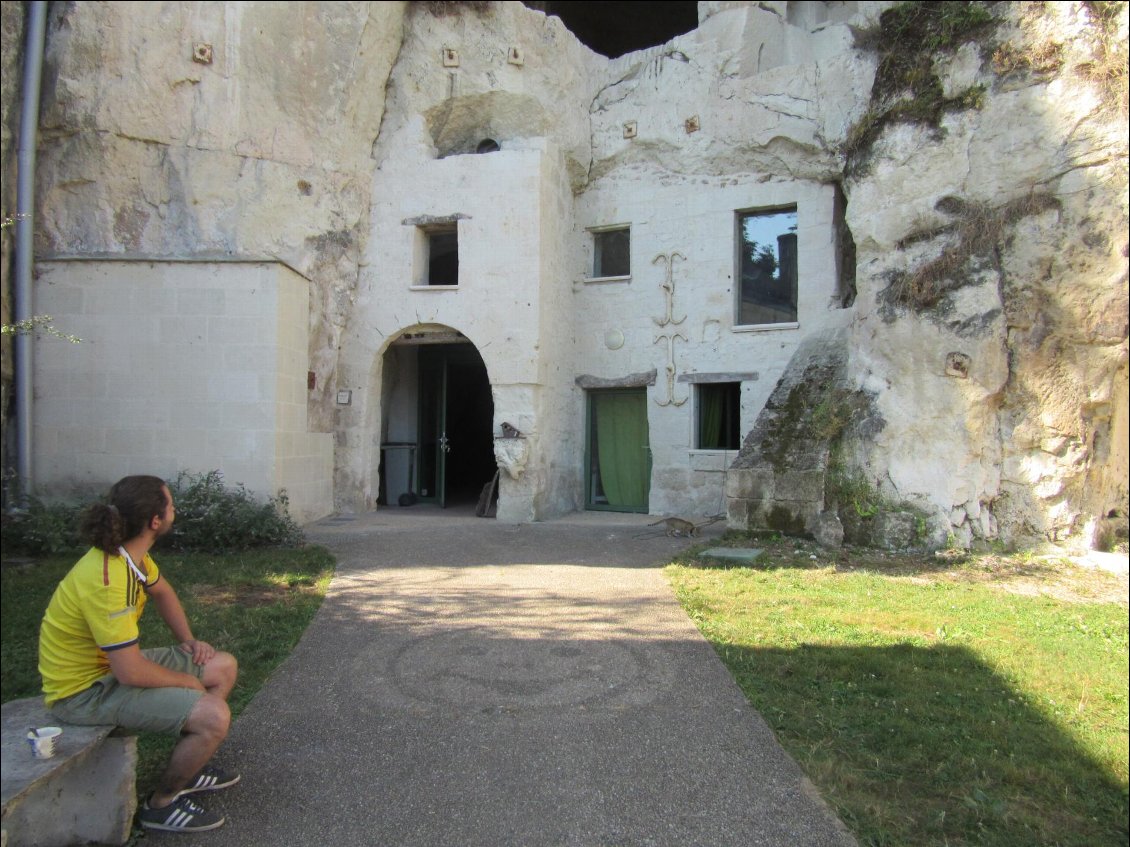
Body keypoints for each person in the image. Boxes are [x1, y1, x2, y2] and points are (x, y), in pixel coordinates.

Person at [38, 475, 240, 833]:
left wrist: (189, 641)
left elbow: (163, 593)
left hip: (112, 670)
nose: (175, 509)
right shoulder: (106, 579)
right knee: (213, 716)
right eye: (171, 504)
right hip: (83, 693)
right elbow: (130, 671)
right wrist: (186, 682)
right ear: (155, 521)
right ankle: (160, 806)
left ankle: (189, 766)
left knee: (221, 666)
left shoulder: (132, 557)